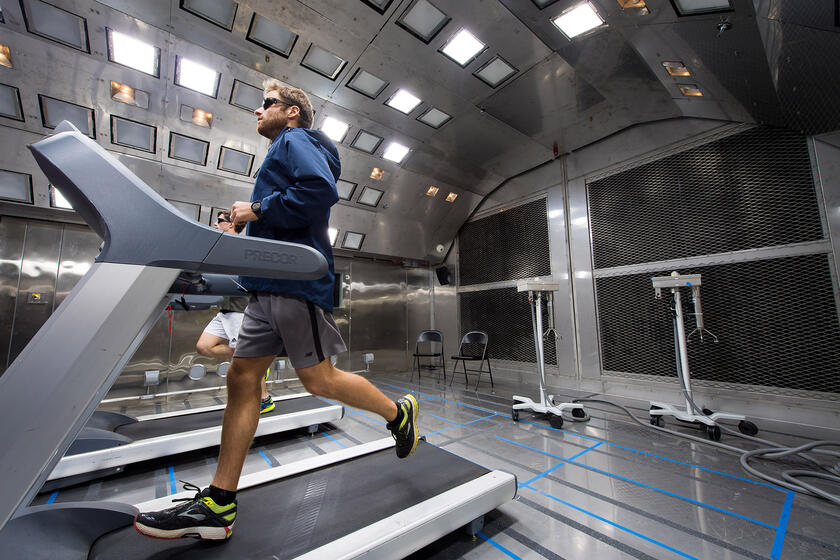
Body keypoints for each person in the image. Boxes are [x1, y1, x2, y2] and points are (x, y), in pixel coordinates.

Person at [135, 82, 419, 541]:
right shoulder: (281, 149)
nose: (256, 109)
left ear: (290, 112)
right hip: (265, 285)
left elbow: (319, 190)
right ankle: (218, 504)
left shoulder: (296, 140)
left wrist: (257, 209)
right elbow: (280, 211)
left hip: (292, 281)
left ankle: (397, 414)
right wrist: (242, 224)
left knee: (318, 380)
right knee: (243, 378)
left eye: (265, 104)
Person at [195, 211, 274, 414]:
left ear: (231, 225)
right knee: (203, 346)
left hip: (241, 310)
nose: (215, 223)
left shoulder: (242, 248)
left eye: (220, 221)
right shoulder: (221, 249)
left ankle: (264, 399)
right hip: (225, 310)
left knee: (246, 360)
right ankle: (256, 359)